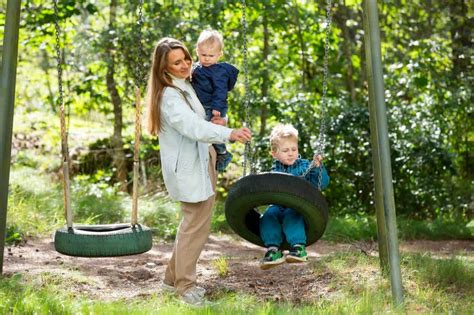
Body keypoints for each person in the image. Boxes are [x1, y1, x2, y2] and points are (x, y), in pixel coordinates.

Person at [145, 37, 251, 305]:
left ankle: (171, 282)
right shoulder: (170, 95)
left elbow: (208, 109)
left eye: (186, 59)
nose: (184, 65)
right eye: (176, 62)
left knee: (193, 226)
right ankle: (185, 287)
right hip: (189, 168)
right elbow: (193, 127)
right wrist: (229, 133)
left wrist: (219, 118)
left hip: (203, 160)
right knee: (195, 228)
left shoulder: (185, 85)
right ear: (163, 68)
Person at [259, 123, 329, 270]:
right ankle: (273, 250)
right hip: (278, 205)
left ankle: (298, 248)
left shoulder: (305, 166)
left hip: (298, 206)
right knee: (269, 215)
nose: (290, 153)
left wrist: (317, 168)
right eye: (285, 150)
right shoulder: (274, 170)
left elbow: (321, 183)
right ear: (274, 153)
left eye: (293, 149)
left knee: (292, 215)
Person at [191, 29, 239, 172]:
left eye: (211, 55)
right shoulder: (197, 67)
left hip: (213, 106)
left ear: (219, 54)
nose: (206, 58)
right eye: (203, 54)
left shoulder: (218, 71)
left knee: (211, 129)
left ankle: (223, 153)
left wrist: (217, 109)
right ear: (197, 51)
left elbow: (220, 91)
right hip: (202, 104)